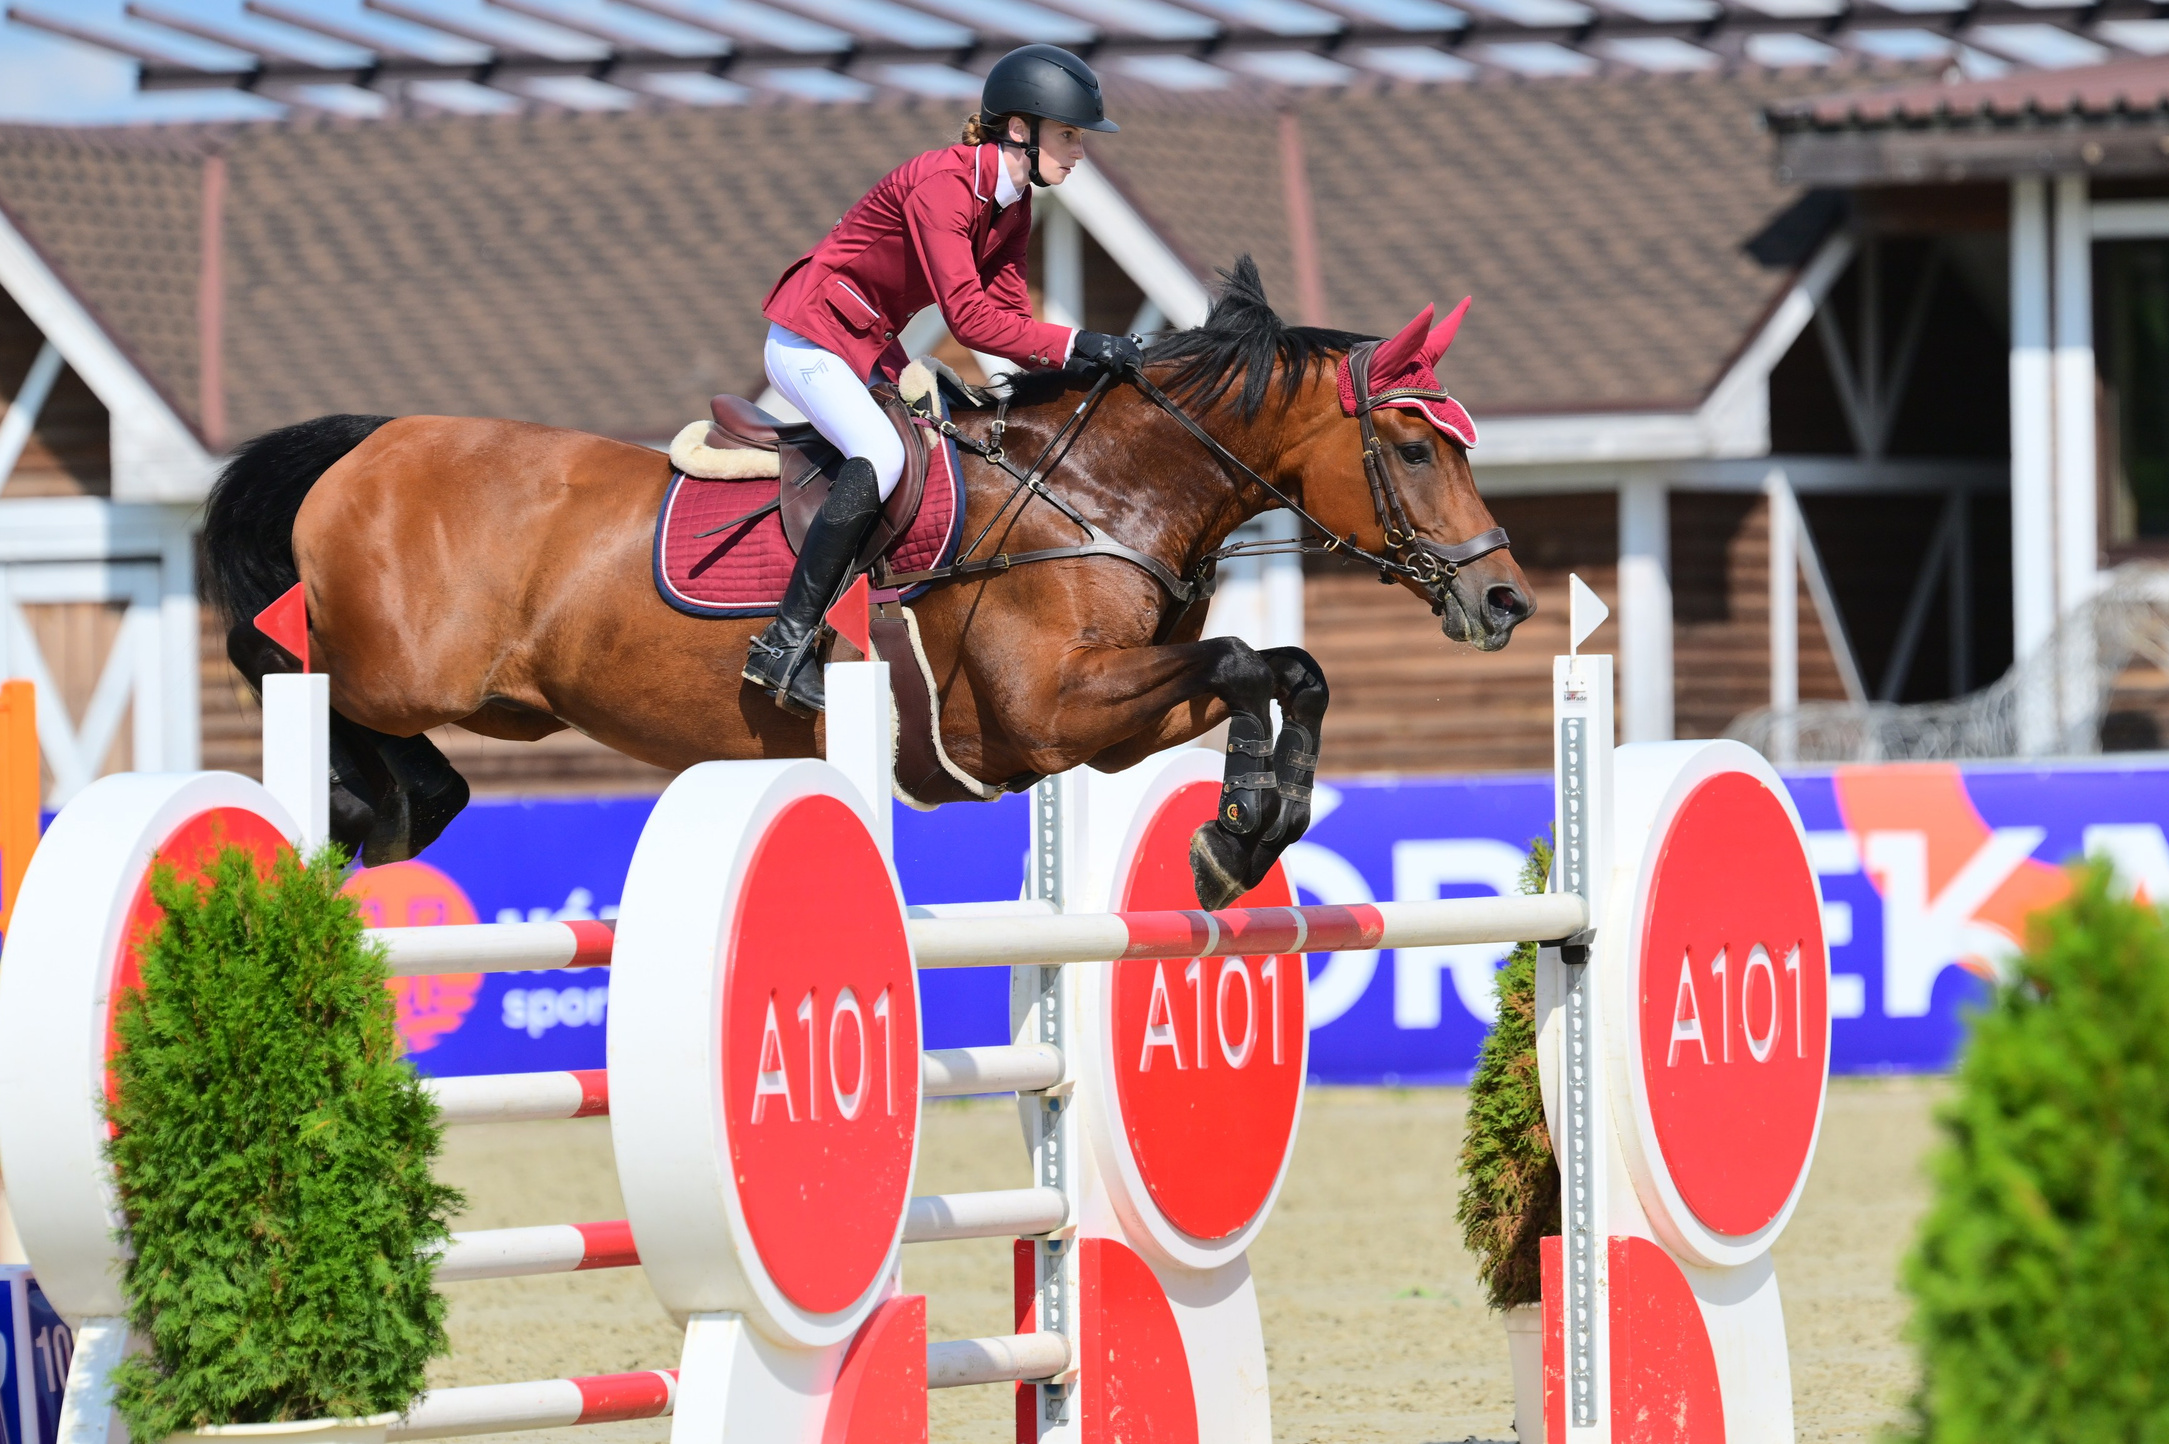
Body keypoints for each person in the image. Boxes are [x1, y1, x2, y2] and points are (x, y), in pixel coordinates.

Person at [745, 43, 1147, 716]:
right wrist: (1080, 340)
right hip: (809, 337)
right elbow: (969, 321)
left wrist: (1087, 365)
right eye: (1070, 135)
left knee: (949, 445)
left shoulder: (1013, 205)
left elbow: (1014, 322)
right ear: (1020, 129)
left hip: (869, 346)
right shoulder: (943, 184)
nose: (1080, 151)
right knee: (880, 454)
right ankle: (783, 645)